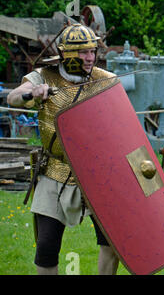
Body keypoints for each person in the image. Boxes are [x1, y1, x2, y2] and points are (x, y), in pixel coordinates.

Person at [7, 24, 119, 275]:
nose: (89, 57)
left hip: (97, 174)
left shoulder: (106, 80)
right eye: (82, 53)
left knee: (113, 241)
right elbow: (13, 97)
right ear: (66, 54)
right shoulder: (43, 77)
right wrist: (32, 94)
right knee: (46, 245)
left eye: (92, 51)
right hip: (55, 170)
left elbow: (121, 127)